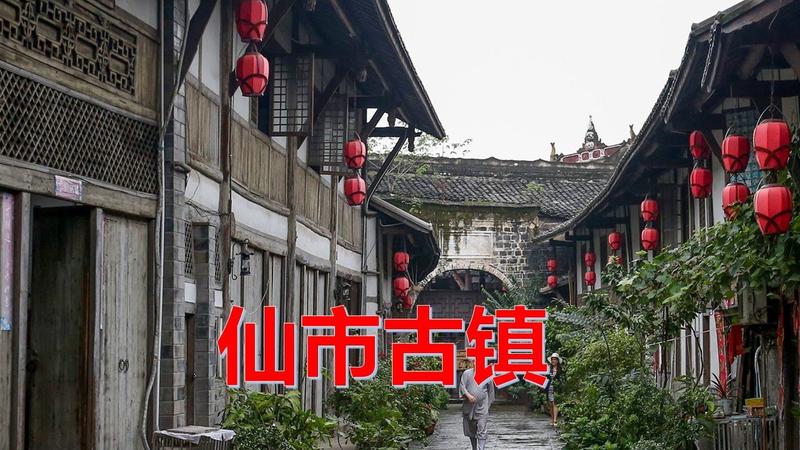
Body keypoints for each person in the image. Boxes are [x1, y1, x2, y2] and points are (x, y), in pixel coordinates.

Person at [460, 359, 495, 450]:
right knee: (471, 430)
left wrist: (488, 406)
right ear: (473, 363)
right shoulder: (467, 373)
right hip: (469, 406)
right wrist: (468, 396)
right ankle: (474, 448)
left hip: (482, 406)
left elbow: (491, 391)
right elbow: (462, 386)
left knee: (482, 428)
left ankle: (481, 448)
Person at [545, 352, 563, 426]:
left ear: (557, 360)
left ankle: (555, 420)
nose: (553, 361)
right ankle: (552, 419)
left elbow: (562, 379)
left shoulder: (560, 369)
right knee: (550, 404)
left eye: (555, 359)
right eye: (552, 359)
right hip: (549, 387)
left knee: (555, 403)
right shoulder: (549, 368)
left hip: (556, 388)